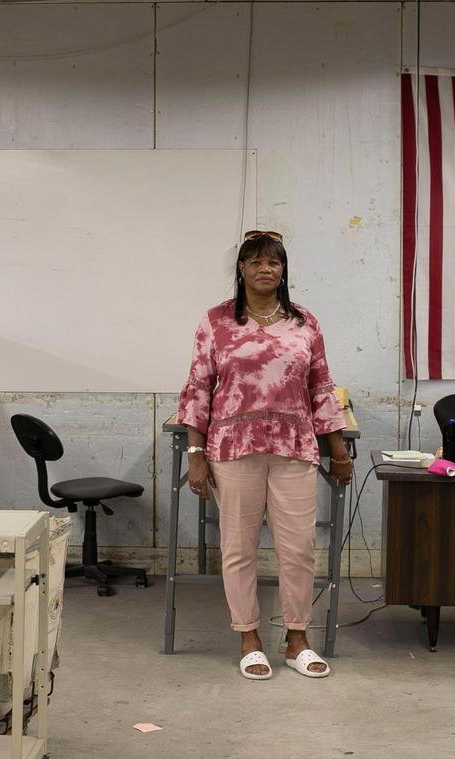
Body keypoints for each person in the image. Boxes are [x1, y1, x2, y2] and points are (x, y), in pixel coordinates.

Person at [176, 230, 353, 680]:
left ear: (283, 270)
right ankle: (248, 637)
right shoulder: (216, 322)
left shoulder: (304, 322)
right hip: (233, 450)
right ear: (241, 269)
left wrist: (337, 449)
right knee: (239, 548)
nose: (264, 269)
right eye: (254, 261)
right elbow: (198, 388)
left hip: (294, 448)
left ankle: (297, 639)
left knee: (299, 549)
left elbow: (320, 386)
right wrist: (195, 453)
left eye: (272, 262)